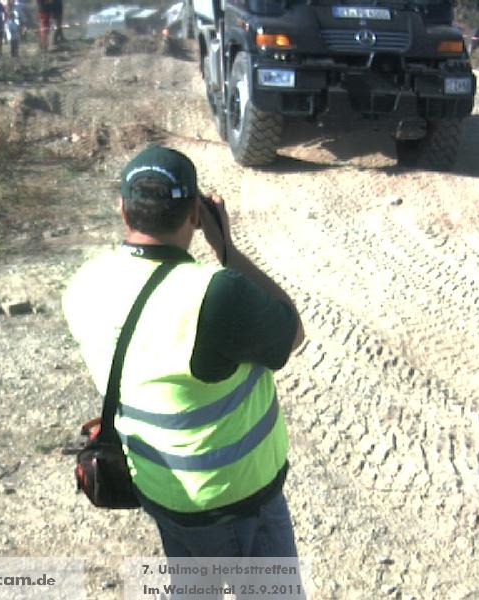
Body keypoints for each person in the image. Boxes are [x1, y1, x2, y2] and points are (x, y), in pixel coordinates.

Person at [63, 145, 305, 563]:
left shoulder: (82, 285)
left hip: (159, 489)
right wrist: (226, 245)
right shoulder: (214, 293)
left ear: (123, 210)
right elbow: (293, 331)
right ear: (195, 214)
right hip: (234, 500)